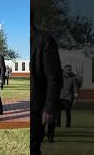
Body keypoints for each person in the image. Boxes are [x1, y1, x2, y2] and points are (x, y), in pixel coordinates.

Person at [31, 25, 63, 154]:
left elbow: (54, 78)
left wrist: (49, 107)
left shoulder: (44, 40)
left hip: (37, 107)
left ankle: (50, 136)